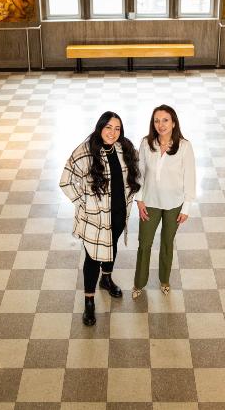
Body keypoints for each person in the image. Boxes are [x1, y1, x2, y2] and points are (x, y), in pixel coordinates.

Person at [60, 112, 140, 326]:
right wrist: (83, 204)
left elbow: (136, 172)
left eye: (117, 128)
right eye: (108, 127)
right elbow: (65, 181)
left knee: (111, 247)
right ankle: (89, 302)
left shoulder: (125, 148)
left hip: (119, 213)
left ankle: (106, 278)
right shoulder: (85, 151)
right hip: (94, 219)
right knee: (92, 258)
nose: (113, 133)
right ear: (99, 128)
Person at [133, 105, 196, 299]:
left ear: (174, 122)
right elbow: (139, 172)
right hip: (150, 202)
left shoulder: (184, 146)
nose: (160, 125)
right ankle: (139, 283)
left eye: (165, 120)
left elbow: (190, 178)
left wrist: (186, 207)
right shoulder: (146, 143)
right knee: (144, 243)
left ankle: (164, 280)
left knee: (167, 243)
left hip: (174, 204)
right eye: (156, 121)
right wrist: (139, 200)